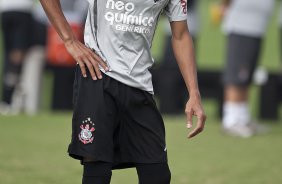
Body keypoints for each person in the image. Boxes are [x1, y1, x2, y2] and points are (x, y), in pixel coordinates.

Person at [40, 0, 206, 183]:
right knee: (97, 171)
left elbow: (180, 35)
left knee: (158, 175)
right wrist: (69, 40)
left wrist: (194, 92)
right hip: (97, 77)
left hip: (140, 84)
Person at [221, 0, 274, 137]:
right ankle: (231, 120)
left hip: (256, 28)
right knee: (237, 74)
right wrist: (224, 6)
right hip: (241, 26)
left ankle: (242, 118)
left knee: (247, 75)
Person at [0, 0, 34, 114]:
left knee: (10, 55)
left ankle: (9, 99)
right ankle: (9, 99)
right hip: (22, 11)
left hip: (5, 10)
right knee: (16, 56)